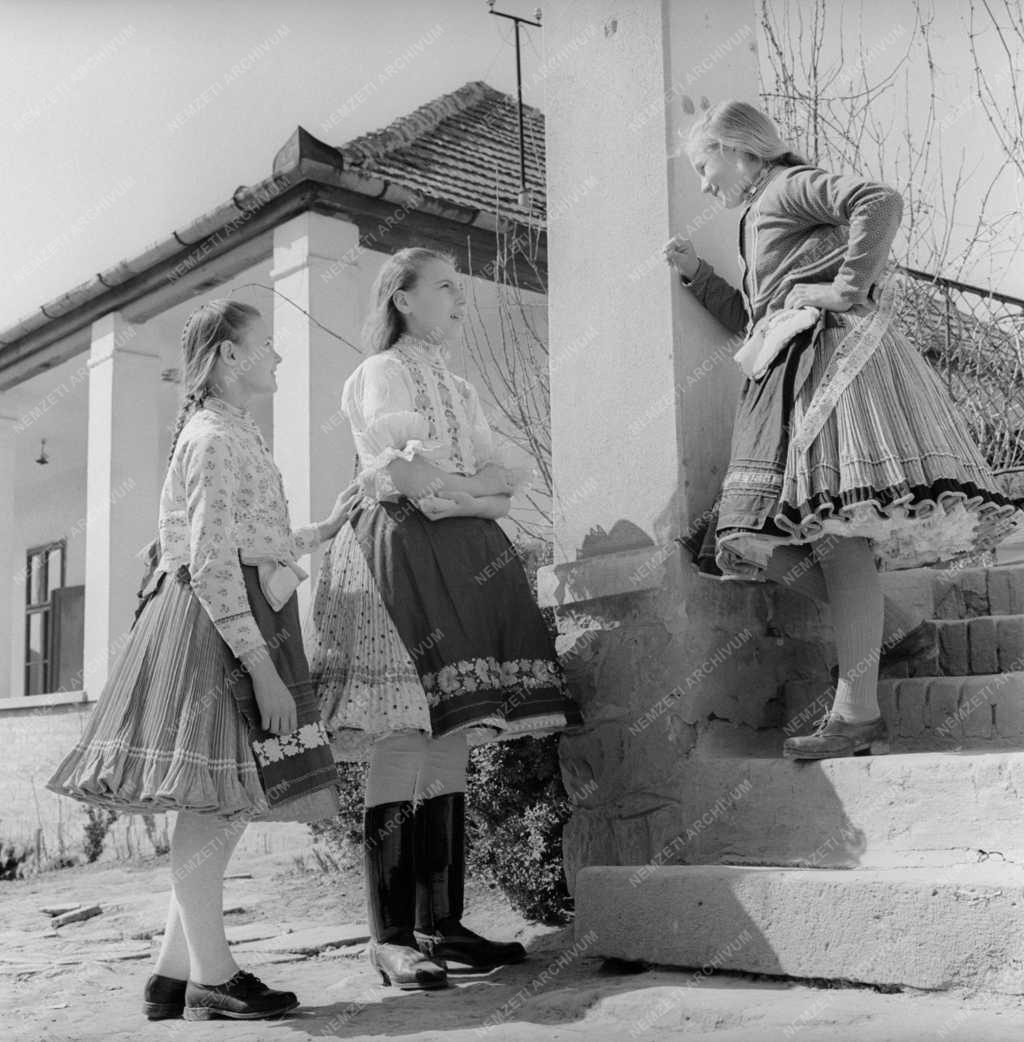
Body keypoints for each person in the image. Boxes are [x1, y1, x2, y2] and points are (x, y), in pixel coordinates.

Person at [664, 101, 1023, 760]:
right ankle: (900, 629)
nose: (704, 182)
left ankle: (857, 713)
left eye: (704, 164)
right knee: (746, 537)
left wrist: (848, 287)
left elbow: (879, 201)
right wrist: (697, 277)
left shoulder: (787, 184)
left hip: (829, 366)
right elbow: (759, 314)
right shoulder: (757, 212)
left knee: (836, 534)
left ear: (741, 148)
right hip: (784, 372)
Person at [47, 300, 357, 1021]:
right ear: (227, 356)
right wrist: (263, 667)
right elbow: (214, 563)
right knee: (215, 797)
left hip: (244, 615)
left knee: (227, 797)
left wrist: (322, 528)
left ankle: (171, 972)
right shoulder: (214, 437)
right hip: (220, 627)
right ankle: (212, 978)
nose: (278, 357)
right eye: (266, 345)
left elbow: (249, 539)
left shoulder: (230, 433)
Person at [305, 247, 583, 990]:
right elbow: (399, 476)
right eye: (446, 289)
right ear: (402, 297)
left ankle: (442, 921)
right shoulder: (380, 374)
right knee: (405, 728)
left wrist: (455, 493)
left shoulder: (459, 387)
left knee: (456, 728)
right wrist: (464, 491)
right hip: (400, 555)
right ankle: (391, 935)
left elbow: (499, 492)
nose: (461, 302)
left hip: (464, 554)